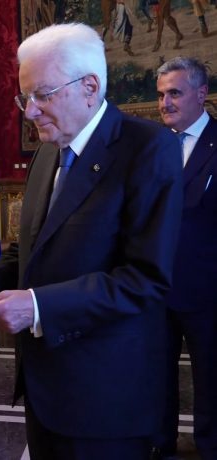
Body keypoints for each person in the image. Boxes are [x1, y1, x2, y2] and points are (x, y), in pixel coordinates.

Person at [0, 22, 183, 460]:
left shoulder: (148, 149)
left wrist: (37, 306)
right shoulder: (47, 153)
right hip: (44, 389)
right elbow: (30, 251)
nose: (29, 111)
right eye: (25, 97)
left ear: (89, 87)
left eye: (43, 95)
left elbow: (145, 279)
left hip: (105, 398)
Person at [152, 56, 217, 460]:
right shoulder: (154, 147)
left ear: (201, 93)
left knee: (210, 377)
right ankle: (161, 443)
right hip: (156, 288)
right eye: (161, 94)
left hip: (207, 290)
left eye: (174, 93)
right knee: (156, 375)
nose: (165, 103)